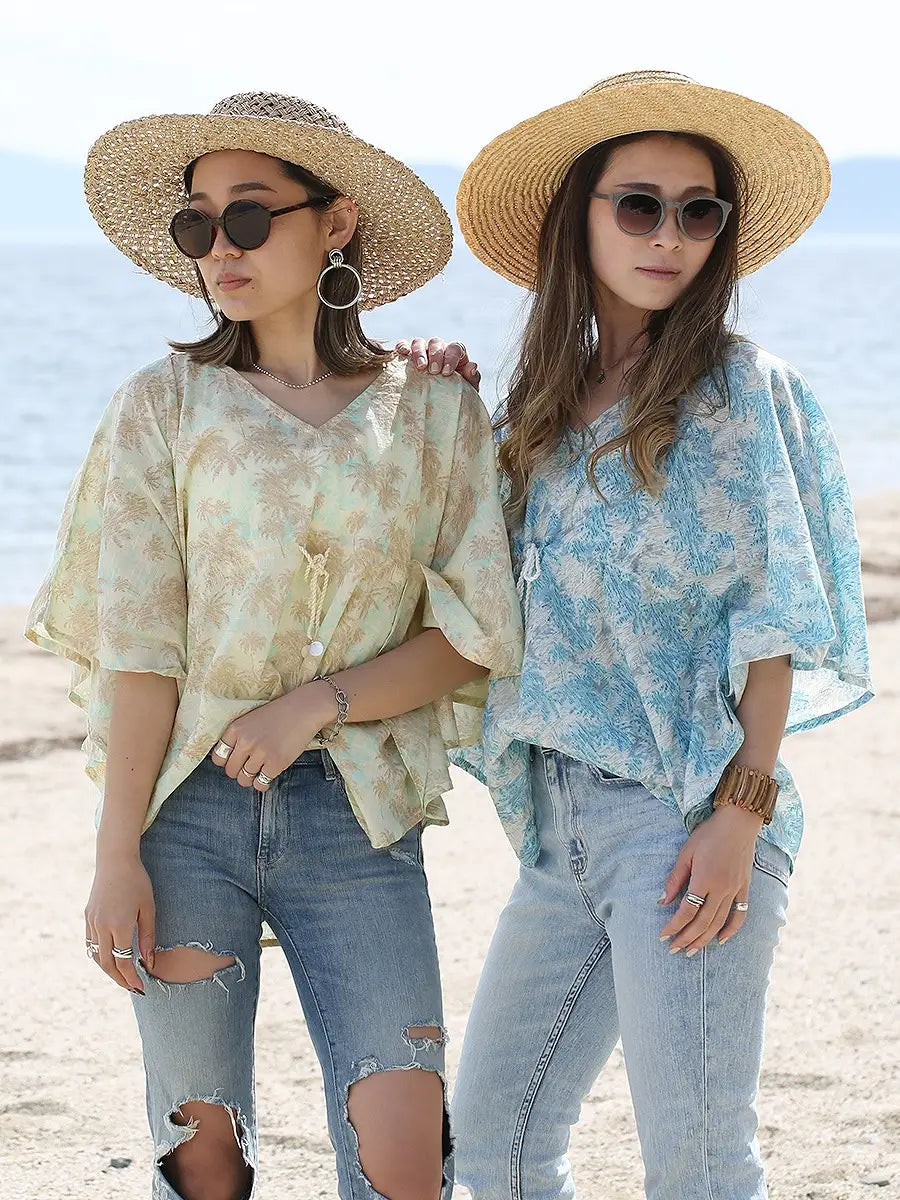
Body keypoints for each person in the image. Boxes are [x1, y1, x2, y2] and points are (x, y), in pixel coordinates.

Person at [26, 91, 522, 1200]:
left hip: (359, 815)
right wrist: (114, 855)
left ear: (334, 222)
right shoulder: (162, 407)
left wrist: (315, 704)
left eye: (249, 217)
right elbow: (140, 651)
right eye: (197, 224)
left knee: (406, 1157)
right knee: (203, 1159)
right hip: (186, 815)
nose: (221, 247)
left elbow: (475, 634)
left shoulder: (434, 411)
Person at [448, 70, 873, 1199]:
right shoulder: (539, 408)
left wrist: (741, 811)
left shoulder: (743, 391)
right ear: (579, 218)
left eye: (698, 211)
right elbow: (467, 580)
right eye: (639, 205)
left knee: (696, 1164)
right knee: (491, 1145)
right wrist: (441, 405)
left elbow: (772, 619)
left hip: (688, 815)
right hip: (560, 833)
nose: (669, 236)